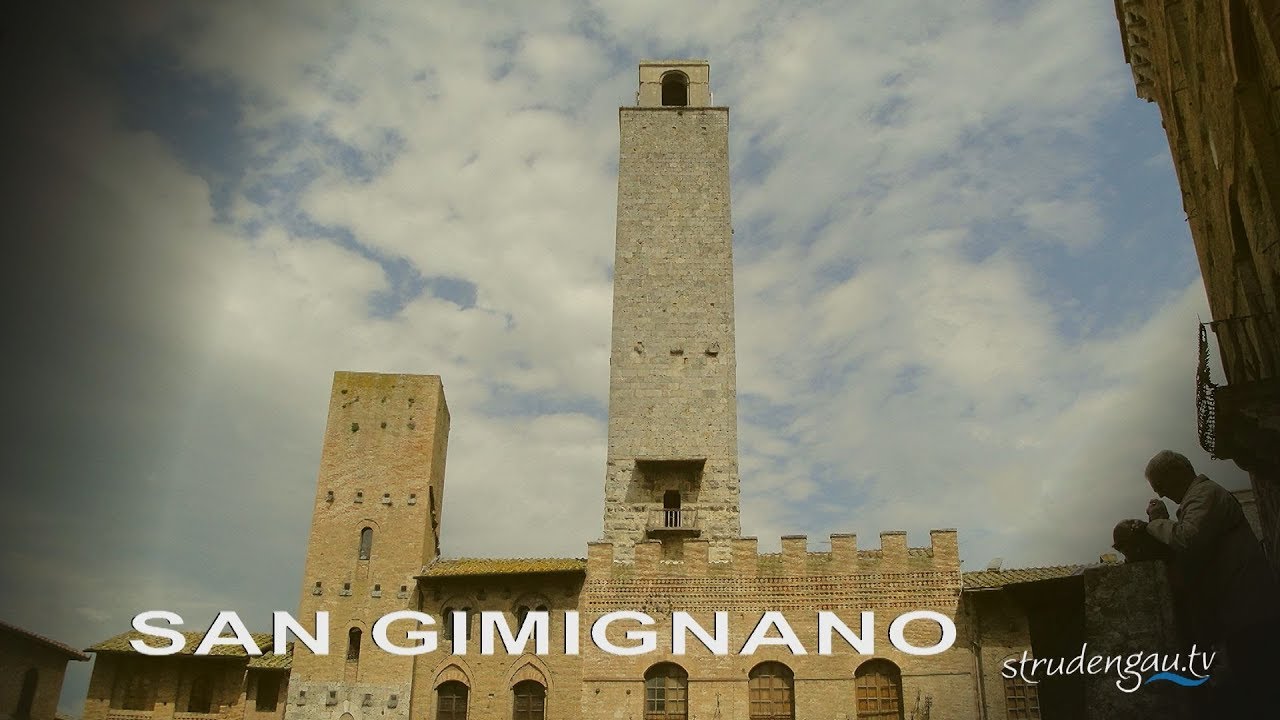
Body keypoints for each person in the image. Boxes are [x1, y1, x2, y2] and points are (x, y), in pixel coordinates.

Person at [1140, 449, 1279, 713]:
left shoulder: (1204, 494)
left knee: (1263, 695)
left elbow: (1187, 539)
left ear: (1177, 473)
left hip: (1250, 614)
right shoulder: (1199, 498)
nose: (1161, 495)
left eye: (1161, 486)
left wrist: (1158, 522)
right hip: (1242, 615)